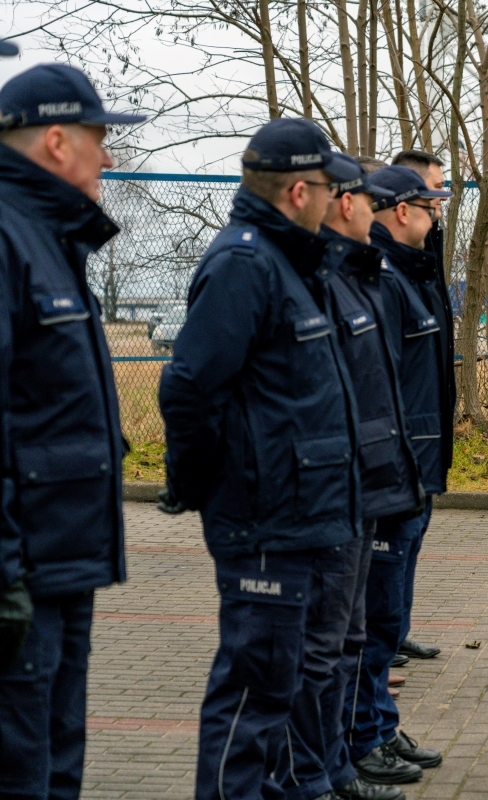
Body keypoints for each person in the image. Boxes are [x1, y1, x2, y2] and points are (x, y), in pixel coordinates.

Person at [158, 117, 366, 800]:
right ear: (299, 191)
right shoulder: (245, 263)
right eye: (329, 187)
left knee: (279, 694)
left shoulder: (292, 263)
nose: (337, 199)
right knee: (252, 698)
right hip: (267, 523)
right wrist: (205, 485)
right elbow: (189, 386)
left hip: (302, 519)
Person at [0, 63, 144, 799]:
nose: (109, 158)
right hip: (23, 573)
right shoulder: (7, 236)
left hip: (62, 563)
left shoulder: (50, 238)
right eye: (101, 139)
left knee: (57, 765)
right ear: (58, 141)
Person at [318, 153, 427, 799]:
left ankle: (344, 757)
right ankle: (342, 756)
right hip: (326, 497)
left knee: (355, 635)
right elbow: (196, 387)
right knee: (315, 655)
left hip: (379, 479)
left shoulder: (371, 274)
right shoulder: (262, 268)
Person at [340, 165, 449, 776]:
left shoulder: (410, 276)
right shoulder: (381, 279)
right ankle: (364, 736)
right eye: (429, 206)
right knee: (375, 620)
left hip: (413, 473)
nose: (437, 216)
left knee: (390, 613)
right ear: (401, 211)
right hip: (390, 476)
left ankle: (380, 724)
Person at [386, 150, 451, 664]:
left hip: (426, 428)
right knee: (395, 542)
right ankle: (384, 642)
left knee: (413, 536)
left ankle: (396, 630)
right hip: (403, 437)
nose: (439, 208)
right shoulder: (389, 273)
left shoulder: (423, 260)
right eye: (432, 196)